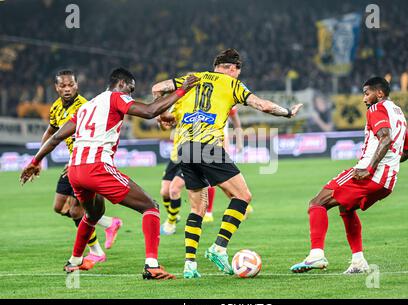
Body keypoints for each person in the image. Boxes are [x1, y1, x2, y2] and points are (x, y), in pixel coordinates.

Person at [20, 68, 199, 280]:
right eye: (130, 89)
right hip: (96, 167)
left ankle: (75, 261)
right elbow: (150, 111)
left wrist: (34, 161)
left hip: (75, 171)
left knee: (93, 214)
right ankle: (152, 266)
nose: (130, 95)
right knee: (150, 207)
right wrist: (183, 90)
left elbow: (57, 136)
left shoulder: (87, 106)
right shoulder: (116, 97)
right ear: (122, 84)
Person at [151, 48, 302, 278]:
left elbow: (157, 88)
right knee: (243, 196)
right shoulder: (231, 84)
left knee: (197, 208)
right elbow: (264, 105)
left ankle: (189, 264)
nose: (238, 76)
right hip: (208, 147)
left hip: (184, 150)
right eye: (238, 72)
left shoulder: (192, 78)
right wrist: (288, 112)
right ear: (233, 68)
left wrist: (161, 113)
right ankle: (218, 248)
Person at [290, 77, 408, 274]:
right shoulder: (399, 114)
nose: (364, 99)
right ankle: (358, 261)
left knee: (317, 203)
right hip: (387, 182)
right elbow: (407, 152)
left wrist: (370, 168)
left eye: (367, 93)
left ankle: (316, 255)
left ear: (379, 93)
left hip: (369, 175)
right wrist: (387, 168)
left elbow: (386, 138)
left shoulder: (376, 109)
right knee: (346, 209)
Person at [42, 70, 122, 267]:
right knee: (60, 207)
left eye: (71, 85)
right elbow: (52, 131)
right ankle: (109, 223)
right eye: (63, 86)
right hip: (72, 163)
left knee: (77, 211)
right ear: (56, 87)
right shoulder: (56, 108)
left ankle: (96, 251)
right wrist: (40, 154)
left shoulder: (85, 107)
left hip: (85, 163)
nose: (67, 89)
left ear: (77, 85)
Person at [156, 105, 244, 235]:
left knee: (174, 189)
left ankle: (171, 222)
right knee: (164, 192)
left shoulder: (208, 108)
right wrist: (161, 121)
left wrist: (228, 146)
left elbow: (221, 130)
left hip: (190, 155)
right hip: (175, 155)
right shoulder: (181, 104)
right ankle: (176, 216)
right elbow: (165, 126)